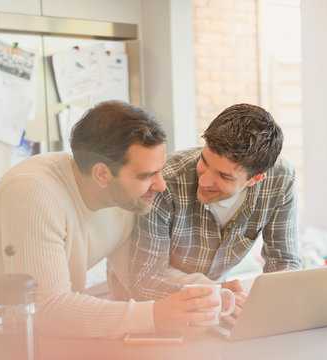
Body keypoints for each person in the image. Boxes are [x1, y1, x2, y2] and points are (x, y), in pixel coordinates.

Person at [0, 100, 220, 339]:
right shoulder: (33, 190)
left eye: (158, 171)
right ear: (101, 174)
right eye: (145, 175)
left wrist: (210, 291)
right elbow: (48, 307)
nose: (160, 185)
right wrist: (154, 315)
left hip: (41, 322)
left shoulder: (126, 198)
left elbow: (141, 271)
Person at [127, 103, 301, 325]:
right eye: (204, 161)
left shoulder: (281, 180)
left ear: (255, 179)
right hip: (148, 312)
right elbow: (145, 280)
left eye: (224, 176)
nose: (205, 180)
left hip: (217, 307)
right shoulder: (165, 183)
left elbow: (283, 262)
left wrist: (267, 311)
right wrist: (213, 295)